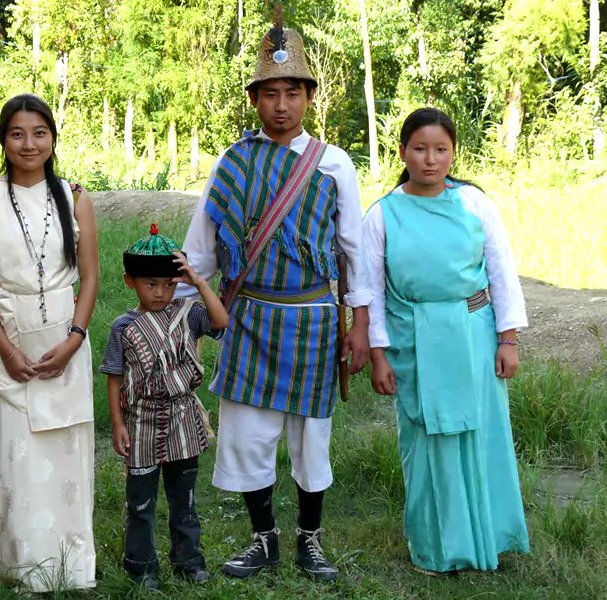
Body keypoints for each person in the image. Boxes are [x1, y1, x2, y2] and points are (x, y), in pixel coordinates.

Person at [176, 19, 371, 582]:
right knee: (246, 434)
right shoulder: (231, 164)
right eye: (270, 94)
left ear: (309, 96)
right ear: (255, 99)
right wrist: (182, 311)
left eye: (292, 93)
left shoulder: (334, 165)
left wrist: (358, 325)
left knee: (312, 437)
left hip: (312, 318)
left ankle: (310, 540)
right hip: (250, 318)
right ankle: (263, 540)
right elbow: (203, 248)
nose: (281, 105)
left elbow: (353, 251)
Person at [364, 107, 531, 574]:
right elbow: (369, 292)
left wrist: (508, 338)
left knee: (482, 434)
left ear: (454, 153)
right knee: (425, 442)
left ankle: (490, 541)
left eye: (441, 150)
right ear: (402, 152)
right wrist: (378, 355)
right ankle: (436, 549)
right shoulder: (382, 214)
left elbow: (501, 271)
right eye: (420, 149)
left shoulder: (475, 204)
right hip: (412, 341)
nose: (430, 160)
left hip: (474, 337)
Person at [0, 93, 99, 593]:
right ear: (3, 139)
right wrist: (6, 350)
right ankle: (24, 566)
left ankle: (73, 565)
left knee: (66, 455)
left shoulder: (76, 195)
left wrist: (74, 339)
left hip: (64, 342)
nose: (28, 143)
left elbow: (90, 278)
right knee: (14, 456)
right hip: (9, 338)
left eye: (39, 133)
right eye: (17, 134)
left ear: (53, 138)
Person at [100, 225, 229, 590]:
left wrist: (198, 282)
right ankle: (141, 567)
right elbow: (114, 375)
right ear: (130, 281)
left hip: (183, 420)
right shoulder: (124, 327)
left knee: (184, 499)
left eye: (170, 284)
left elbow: (221, 321)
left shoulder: (188, 315)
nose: (160, 293)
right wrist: (116, 422)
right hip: (140, 421)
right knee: (140, 502)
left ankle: (189, 561)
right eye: (151, 284)